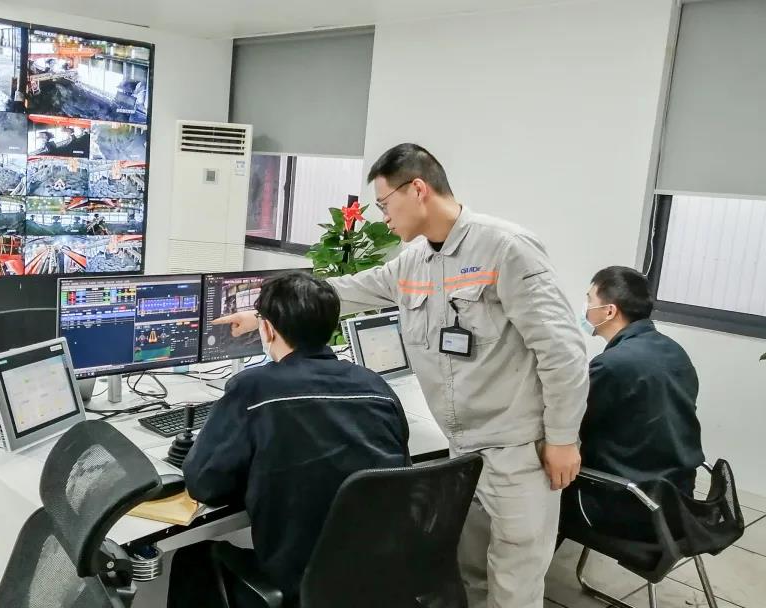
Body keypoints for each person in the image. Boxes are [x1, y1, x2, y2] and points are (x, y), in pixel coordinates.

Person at [215, 143, 588, 608]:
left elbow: (563, 351)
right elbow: (348, 290)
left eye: (384, 203)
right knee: (470, 576)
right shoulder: (414, 263)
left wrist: (563, 438)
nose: (384, 217)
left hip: (518, 450)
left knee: (514, 586)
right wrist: (264, 314)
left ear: (417, 189)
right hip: (462, 450)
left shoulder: (505, 249)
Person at [171, 271, 411, 608]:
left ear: (267, 329)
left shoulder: (253, 388)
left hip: (300, 580)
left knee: (192, 558)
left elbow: (205, 484)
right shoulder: (375, 385)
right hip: (381, 575)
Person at [565, 266, 704, 539]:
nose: (586, 307)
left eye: (589, 299)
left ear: (609, 311)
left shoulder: (612, 364)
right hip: (678, 498)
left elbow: (569, 423)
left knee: (542, 476)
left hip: (630, 503)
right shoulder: (673, 350)